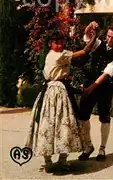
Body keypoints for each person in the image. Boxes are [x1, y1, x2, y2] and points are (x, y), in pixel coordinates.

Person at [26, 30, 96, 173]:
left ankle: (51, 161)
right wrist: (95, 37)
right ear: (51, 44)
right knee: (64, 123)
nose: (60, 44)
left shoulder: (48, 55)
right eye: (56, 42)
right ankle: (59, 161)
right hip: (58, 91)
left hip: (49, 91)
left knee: (48, 124)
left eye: (61, 41)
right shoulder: (60, 55)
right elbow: (84, 52)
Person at [78, 22, 113, 161]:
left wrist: (89, 89)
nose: (110, 40)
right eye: (109, 36)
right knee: (83, 116)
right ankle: (88, 146)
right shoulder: (98, 43)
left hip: (105, 87)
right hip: (90, 82)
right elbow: (86, 36)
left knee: (104, 117)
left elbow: (106, 73)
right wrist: (90, 26)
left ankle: (102, 149)